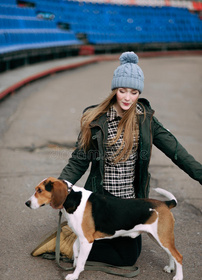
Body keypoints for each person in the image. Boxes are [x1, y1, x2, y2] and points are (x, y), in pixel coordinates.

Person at [58, 51, 202, 267]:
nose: (127, 97)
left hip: (130, 202)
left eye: (133, 92)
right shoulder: (95, 121)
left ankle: (84, 238)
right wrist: (59, 189)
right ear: (114, 90)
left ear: (139, 93)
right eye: (122, 90)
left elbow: (176, 152)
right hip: (102, 200)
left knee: (130, 255)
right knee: (123, 258)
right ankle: (76, 243)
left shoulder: (146, 120)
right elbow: (78, 161)